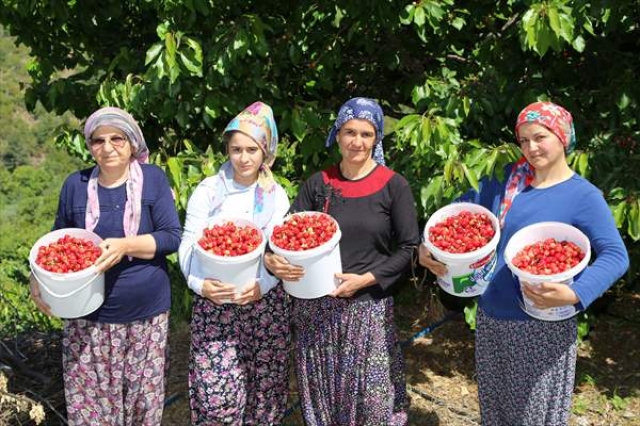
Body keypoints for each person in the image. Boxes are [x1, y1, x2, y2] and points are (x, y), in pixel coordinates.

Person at [419, 101, 630, 425]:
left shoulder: (582, 196)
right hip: (492, 317)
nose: (532, 147)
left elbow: (616, 255)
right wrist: (429, 247)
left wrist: (576, 294)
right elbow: (457, 217)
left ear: (563, 137)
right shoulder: (502, 181)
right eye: (524, 140)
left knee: (532, 417)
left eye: (541, 137)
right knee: (496, 411)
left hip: (542, 326)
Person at [265, 97, 420, 425]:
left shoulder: (393, 186)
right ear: (337, 135)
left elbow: (408, 249)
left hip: (367, 309)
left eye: (366, 133)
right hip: (315, 308)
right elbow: (287, 233)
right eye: (349, 132)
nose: (357, 141)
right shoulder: (320, 184)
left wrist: (366, 279)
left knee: (372, 403)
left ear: (376, 138)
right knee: (323, 396)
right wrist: (274, 259)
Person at [29, 107, 182, 425]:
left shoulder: (152, 180)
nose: (108, 147)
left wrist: (126, 245)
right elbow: (56, 242)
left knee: (143, 406)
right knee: (91, 408)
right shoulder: (76, 185)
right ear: (89, 146)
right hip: (87, 317)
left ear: (132, 143)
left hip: (146, 316)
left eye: (117, 138)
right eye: (99, 140)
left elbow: (171, 237)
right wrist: (37, 278)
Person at [178, 102, 291, 425]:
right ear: (227, 149)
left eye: (252, 149)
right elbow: (188, 244)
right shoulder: (209, 191)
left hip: (264, 306)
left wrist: (263, 285)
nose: (244, 158)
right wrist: (199, 285)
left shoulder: (275, 195)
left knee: (265, 394)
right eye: (236, 149)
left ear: (265, 151)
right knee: (217, 397)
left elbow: (278, 252)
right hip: (216, 304)